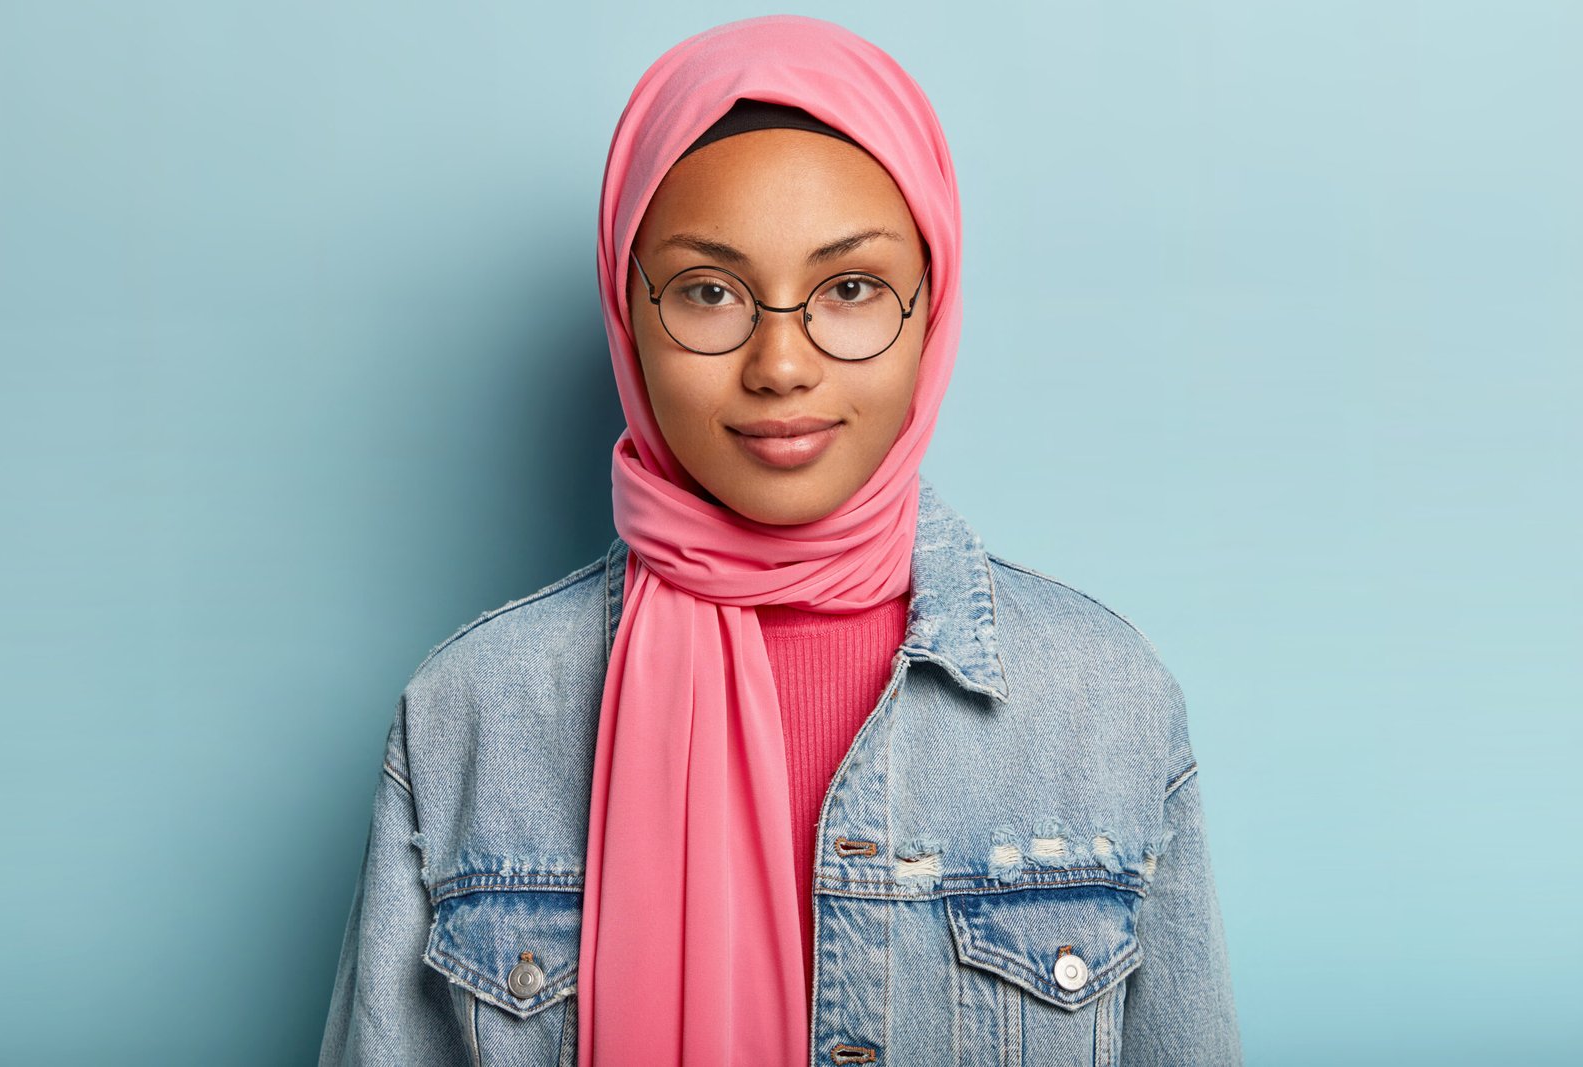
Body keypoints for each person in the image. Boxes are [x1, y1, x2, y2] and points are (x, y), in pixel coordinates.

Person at [320, 14, 1240, 1067]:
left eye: (850, 288)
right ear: (628, 313)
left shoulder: (1102, 697)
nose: (781, 363)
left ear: (931, 309)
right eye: (709, 291)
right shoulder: (471, 712)